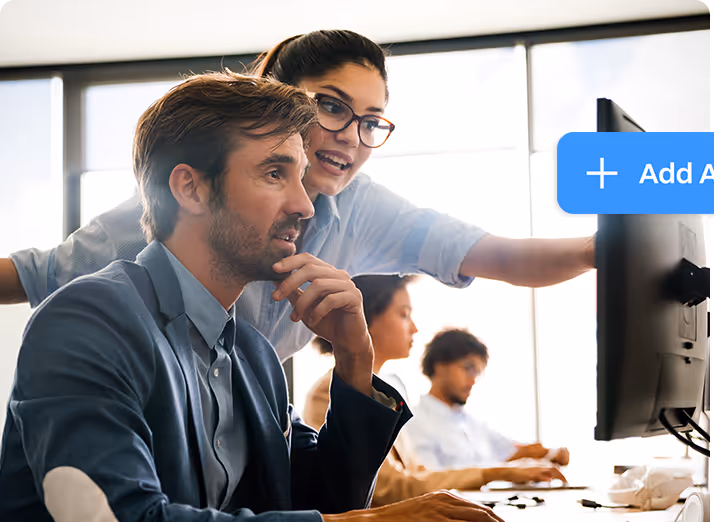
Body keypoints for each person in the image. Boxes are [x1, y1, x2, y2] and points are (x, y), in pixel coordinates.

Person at [0, 72, 530, 522]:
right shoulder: (88, 321)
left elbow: (319, 509)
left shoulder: (251, 352)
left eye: (301, 177)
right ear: (190, 187)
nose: (305, 205)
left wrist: (354, 361)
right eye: (276, 173)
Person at [0, 29, 595, 363]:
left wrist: (607, 249)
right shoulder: (181, 204)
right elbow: (37, 275)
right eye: (331, 106)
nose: (349, 137)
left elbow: (499, 256)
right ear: (276, 103)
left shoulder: (358, 208)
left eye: (371, 120)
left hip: (245, 445)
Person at [304, 274, 566, 507]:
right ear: (364, 320)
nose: (415, 328)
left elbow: (415, 475)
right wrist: (498, 473)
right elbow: (391, 489)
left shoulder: (383, 391)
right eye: (404, 314)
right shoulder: (331, 392)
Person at [405, 328, 570, 470]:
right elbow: (428, 482)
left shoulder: (472, 424)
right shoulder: (415, 423)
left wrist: (547, 453)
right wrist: (503, 469)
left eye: (477, 373)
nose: (472, 380)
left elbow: (512, 450)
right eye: (468, 369)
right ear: (439, 366)